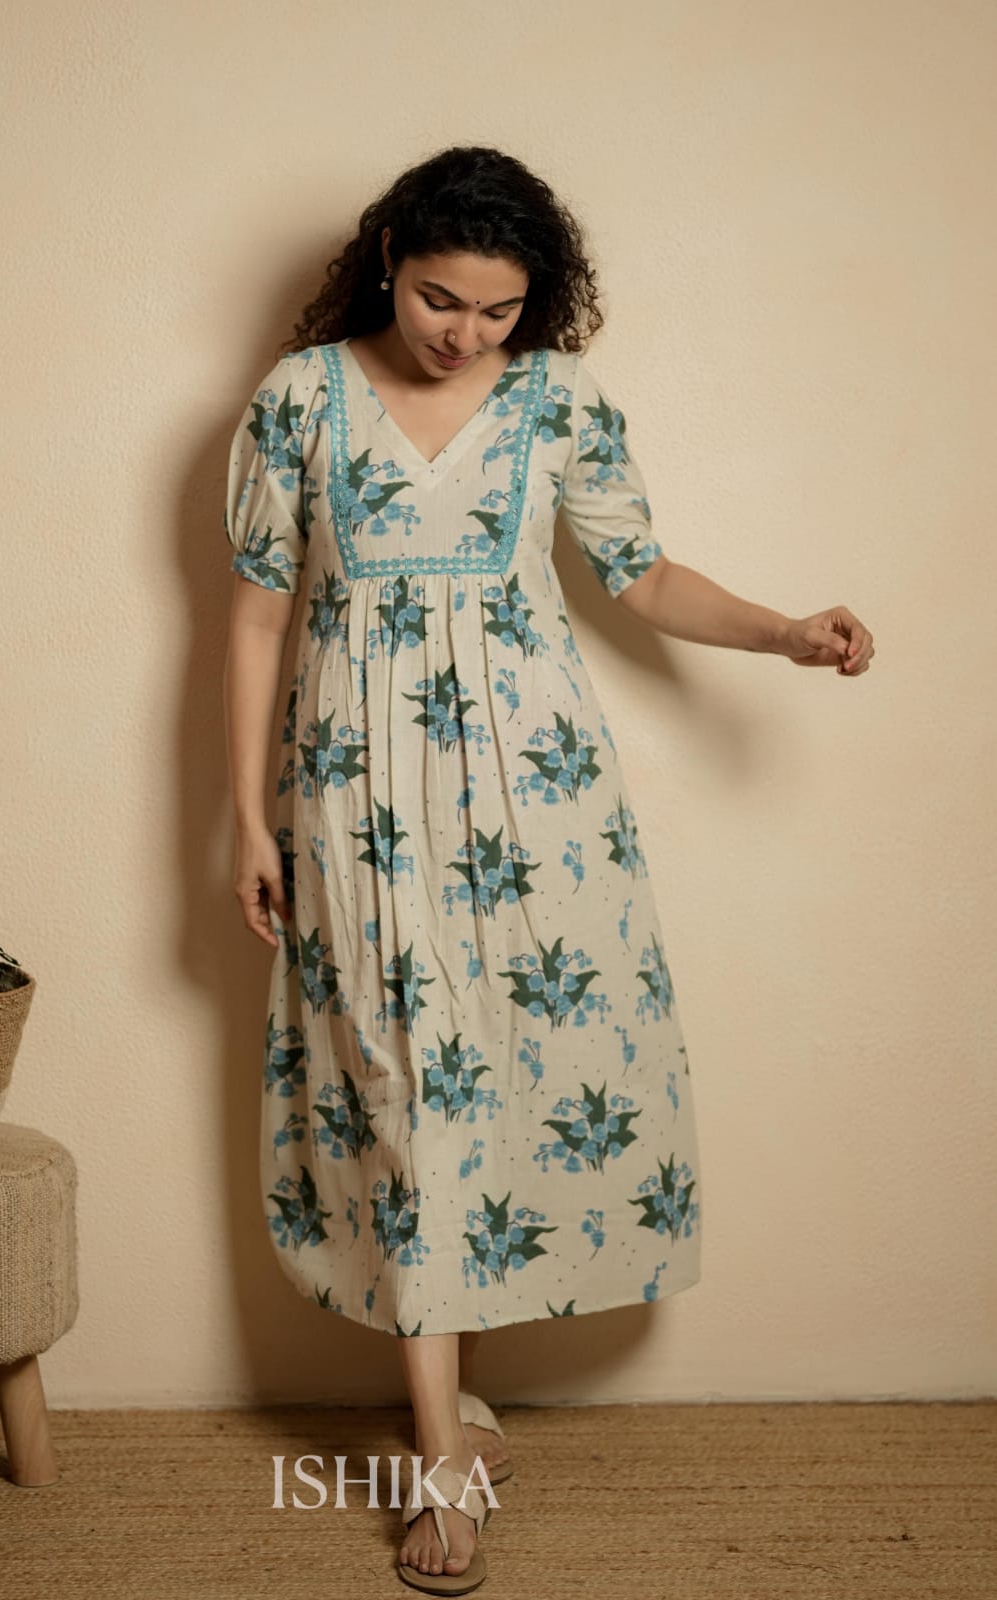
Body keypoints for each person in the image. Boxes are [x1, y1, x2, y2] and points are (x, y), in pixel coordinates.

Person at [221, 144, 875, 1595]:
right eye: (439, 298)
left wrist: (784, 633)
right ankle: (443, 1453)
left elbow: (642, 575)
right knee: (398, 1080)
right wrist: (245, 820)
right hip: (358, 798)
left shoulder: (558, 403)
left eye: (497, 310)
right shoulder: (301, 399)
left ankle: (451, 1415)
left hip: (539, 798)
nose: (464, 333)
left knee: (503, 1073)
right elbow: (258, 615)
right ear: (388, 260)